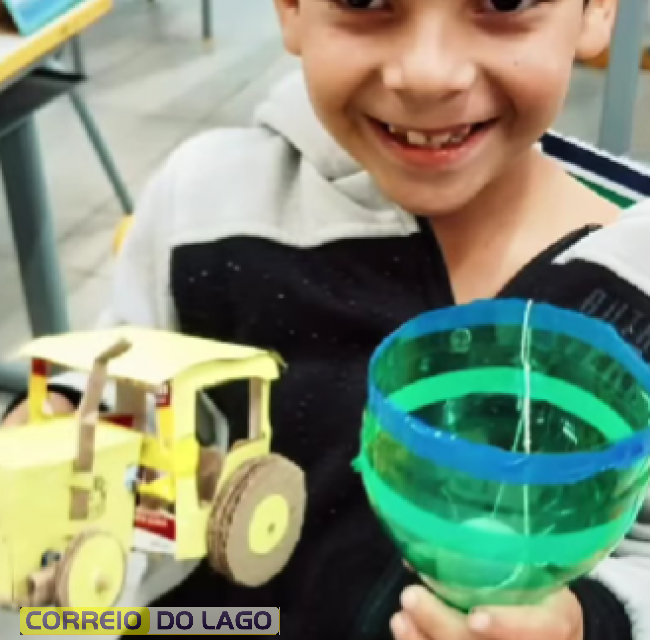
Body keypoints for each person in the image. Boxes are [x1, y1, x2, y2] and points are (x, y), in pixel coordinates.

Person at [4, 0, 650, 639]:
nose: (427, 74)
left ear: (598, 9)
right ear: (290, 7)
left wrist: (591, 624)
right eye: (363, 0)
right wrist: (61, 421)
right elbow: (124, 387)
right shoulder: (206, 207)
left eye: (504, 1)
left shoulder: (635, 279)